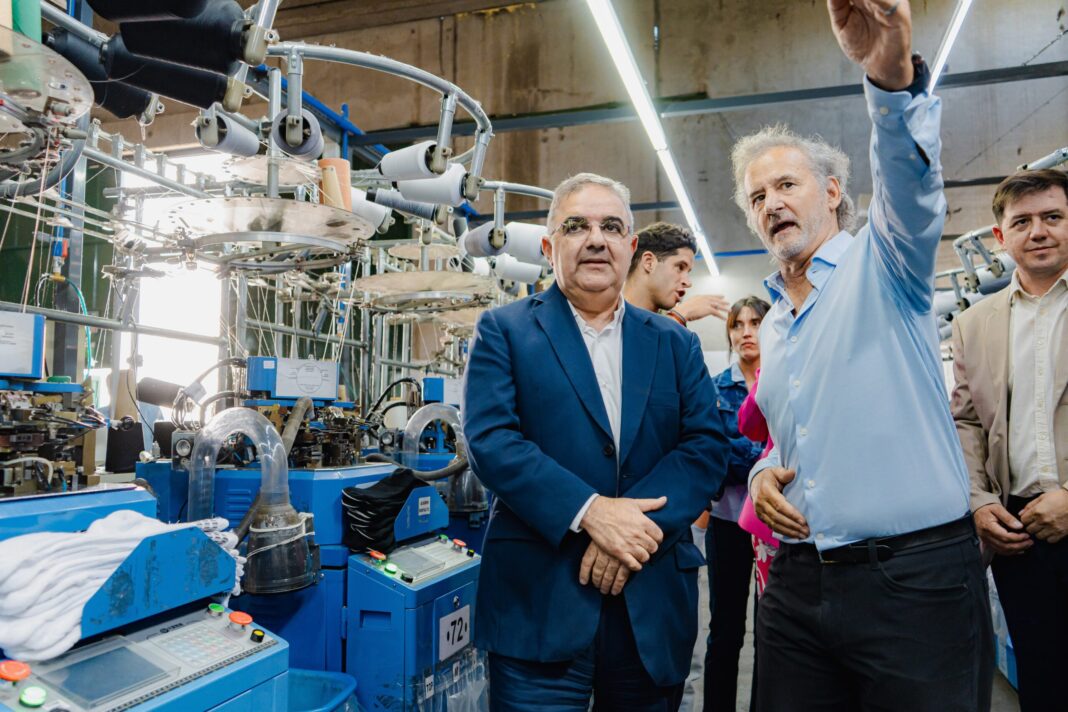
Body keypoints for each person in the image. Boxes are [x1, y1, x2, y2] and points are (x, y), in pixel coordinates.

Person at [735, 1, 992, 709]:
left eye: (786, 185)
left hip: (912, 582)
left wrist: (887, 78)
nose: (771, 203)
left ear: (833, 192)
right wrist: (763, 473)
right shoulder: (777, 324)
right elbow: (800, 432)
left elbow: (910, 189)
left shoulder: (887, 264)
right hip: (798, 585)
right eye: (756, 197)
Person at [463, 172, 730, 710]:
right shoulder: (504, 331)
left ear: (632, 247)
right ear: (548, 246)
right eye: (575, 226)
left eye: (611, 226)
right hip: (539, 607)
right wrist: (588, 513)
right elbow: (492, 440)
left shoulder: (675, 343)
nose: (595, 238)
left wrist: (629, 528)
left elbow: (706, 446)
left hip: (649, 604)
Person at [950, 168, 1068, 711]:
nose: (1038, 231)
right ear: (1001, 237)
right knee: (1043, 681)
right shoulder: (974, 323)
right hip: (1021, 534)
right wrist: (978, 501)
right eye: (1022, 221)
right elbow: (967, 423)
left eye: (1053, 217)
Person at [704, 297, 769, 712]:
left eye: (756, 322)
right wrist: (763, 458)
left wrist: (742, 454)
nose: (746, 331)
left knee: (772, 633)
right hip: (727, 523)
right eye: (737, 324)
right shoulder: (713, 387)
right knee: (725, 631)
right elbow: (712, 454)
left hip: (776, 530)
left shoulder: (785, 380)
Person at [623, 221, 729, 325]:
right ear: (649, 263)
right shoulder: (609, 320)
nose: (688, 283)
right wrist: (677, 316)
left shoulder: (673, 330)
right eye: (680, 267)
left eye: (688, 272)